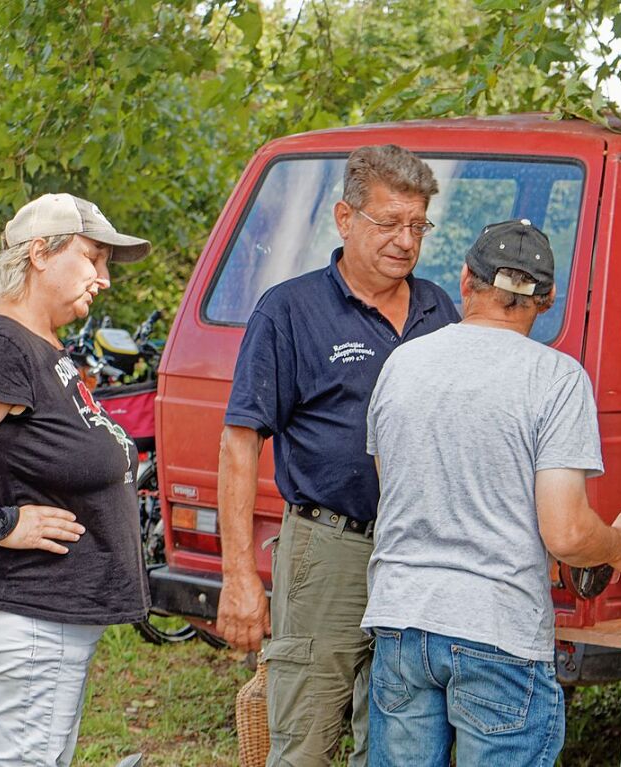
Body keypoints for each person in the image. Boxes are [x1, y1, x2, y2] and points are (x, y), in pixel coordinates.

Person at [362, 219, 621, 766]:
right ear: (545, 301)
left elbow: (394, 489)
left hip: (401, 620)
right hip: (496, 630)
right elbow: (566, 533)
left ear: (466, 279)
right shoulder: (555, 378)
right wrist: (619, 544)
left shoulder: (402, 363)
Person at [216, 144, 461, 766]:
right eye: (388, 223)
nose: (406, 241)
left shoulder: (439, 310)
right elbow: (240, 443)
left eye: (417, 225)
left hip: (419, 554)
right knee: (306, 739)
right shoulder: (291, 310)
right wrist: (240, 576)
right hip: (329, 549)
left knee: (398, 744)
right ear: (344, 218)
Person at [0, 193, 152, 766]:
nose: (103, 279)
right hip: (29, 612)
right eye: (92, 257)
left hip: (49, 616)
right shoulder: (0, 343)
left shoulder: (42, 345)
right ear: (40, 252)